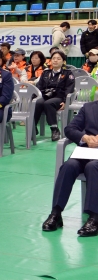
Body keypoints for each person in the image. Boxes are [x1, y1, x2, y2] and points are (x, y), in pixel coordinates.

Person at [42, 99, 98, 236]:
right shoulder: (89, 107)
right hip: (86, 152)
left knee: (93, 167)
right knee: (69, 166)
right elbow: (70, 129)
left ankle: (94, 217)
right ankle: (56, 213)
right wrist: (84, 137)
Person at [34, 51, 75, 142]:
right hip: (46, 96)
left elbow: (69, 89)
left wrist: (65, 101)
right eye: (53, 58)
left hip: (59, 97)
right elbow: (39, 87)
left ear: (63, 62)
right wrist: (37, 97)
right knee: (38, 102)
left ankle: (54, 129)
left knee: (49, 103)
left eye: (58, 59)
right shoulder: (46, 73)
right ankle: (33, 127)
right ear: (50, 61)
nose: (55, 60)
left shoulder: (68, 73)